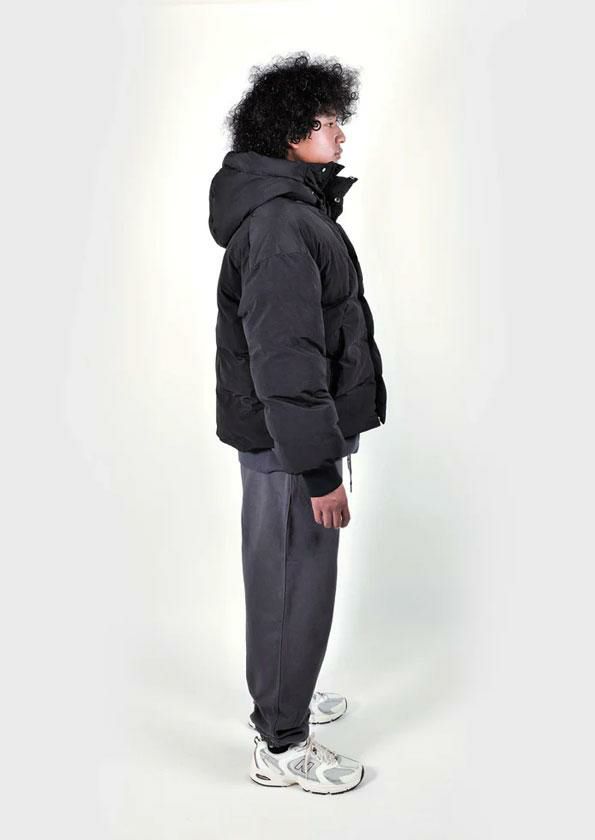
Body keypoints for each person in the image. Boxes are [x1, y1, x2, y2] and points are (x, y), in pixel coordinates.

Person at [208, 51, 387, 794]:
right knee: (293, 582)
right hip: (290, 446)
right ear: (290, 134)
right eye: (326, 122)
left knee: (291, 579)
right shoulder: (283, 225)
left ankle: (288, 689)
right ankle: (281, 744)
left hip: (293, 436)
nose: (340, 133)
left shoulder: (294, 211)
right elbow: (287, 359)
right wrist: (317, 468)